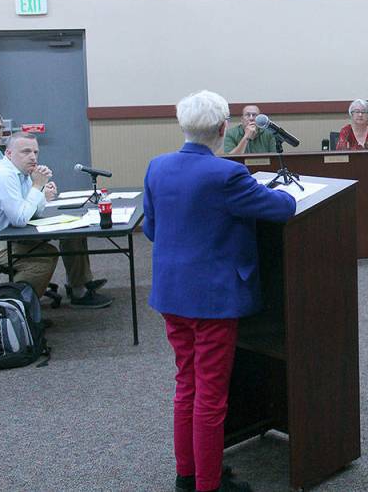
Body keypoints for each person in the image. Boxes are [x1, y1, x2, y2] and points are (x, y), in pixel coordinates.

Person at [144, 90, 297, 492]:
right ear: (222, 128)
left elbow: (152, 229)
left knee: (186, 385)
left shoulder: (156, 167)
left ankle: (187, 475)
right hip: (212, 300)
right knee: (210, 397)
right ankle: (208, 485)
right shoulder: (226, 174)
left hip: (171, 295)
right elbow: (281, 208)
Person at [0, 133, 112, 308]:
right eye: (26, 151)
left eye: (35, 152)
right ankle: (9, 308)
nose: (32, 157)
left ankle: (79, 288)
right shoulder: (4, 175)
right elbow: (20, 219)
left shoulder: (21, 173)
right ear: (9, 154)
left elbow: (31, 213)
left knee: (71, 234)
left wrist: (42, 193)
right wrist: (37, 186)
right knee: (42, 258)